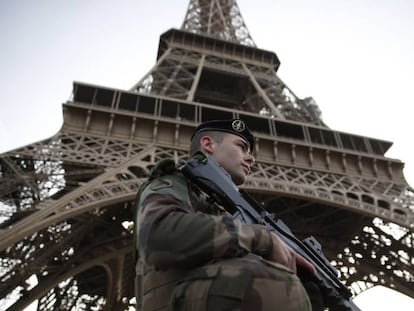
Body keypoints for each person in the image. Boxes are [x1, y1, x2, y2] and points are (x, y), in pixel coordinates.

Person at [134, 119, 318, 311]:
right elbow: (159, 235)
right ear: (208, 144)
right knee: (265, 283)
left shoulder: (232, 209)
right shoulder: (176, 182)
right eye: (242, 147)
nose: (251, 158)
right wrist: (263, 238)